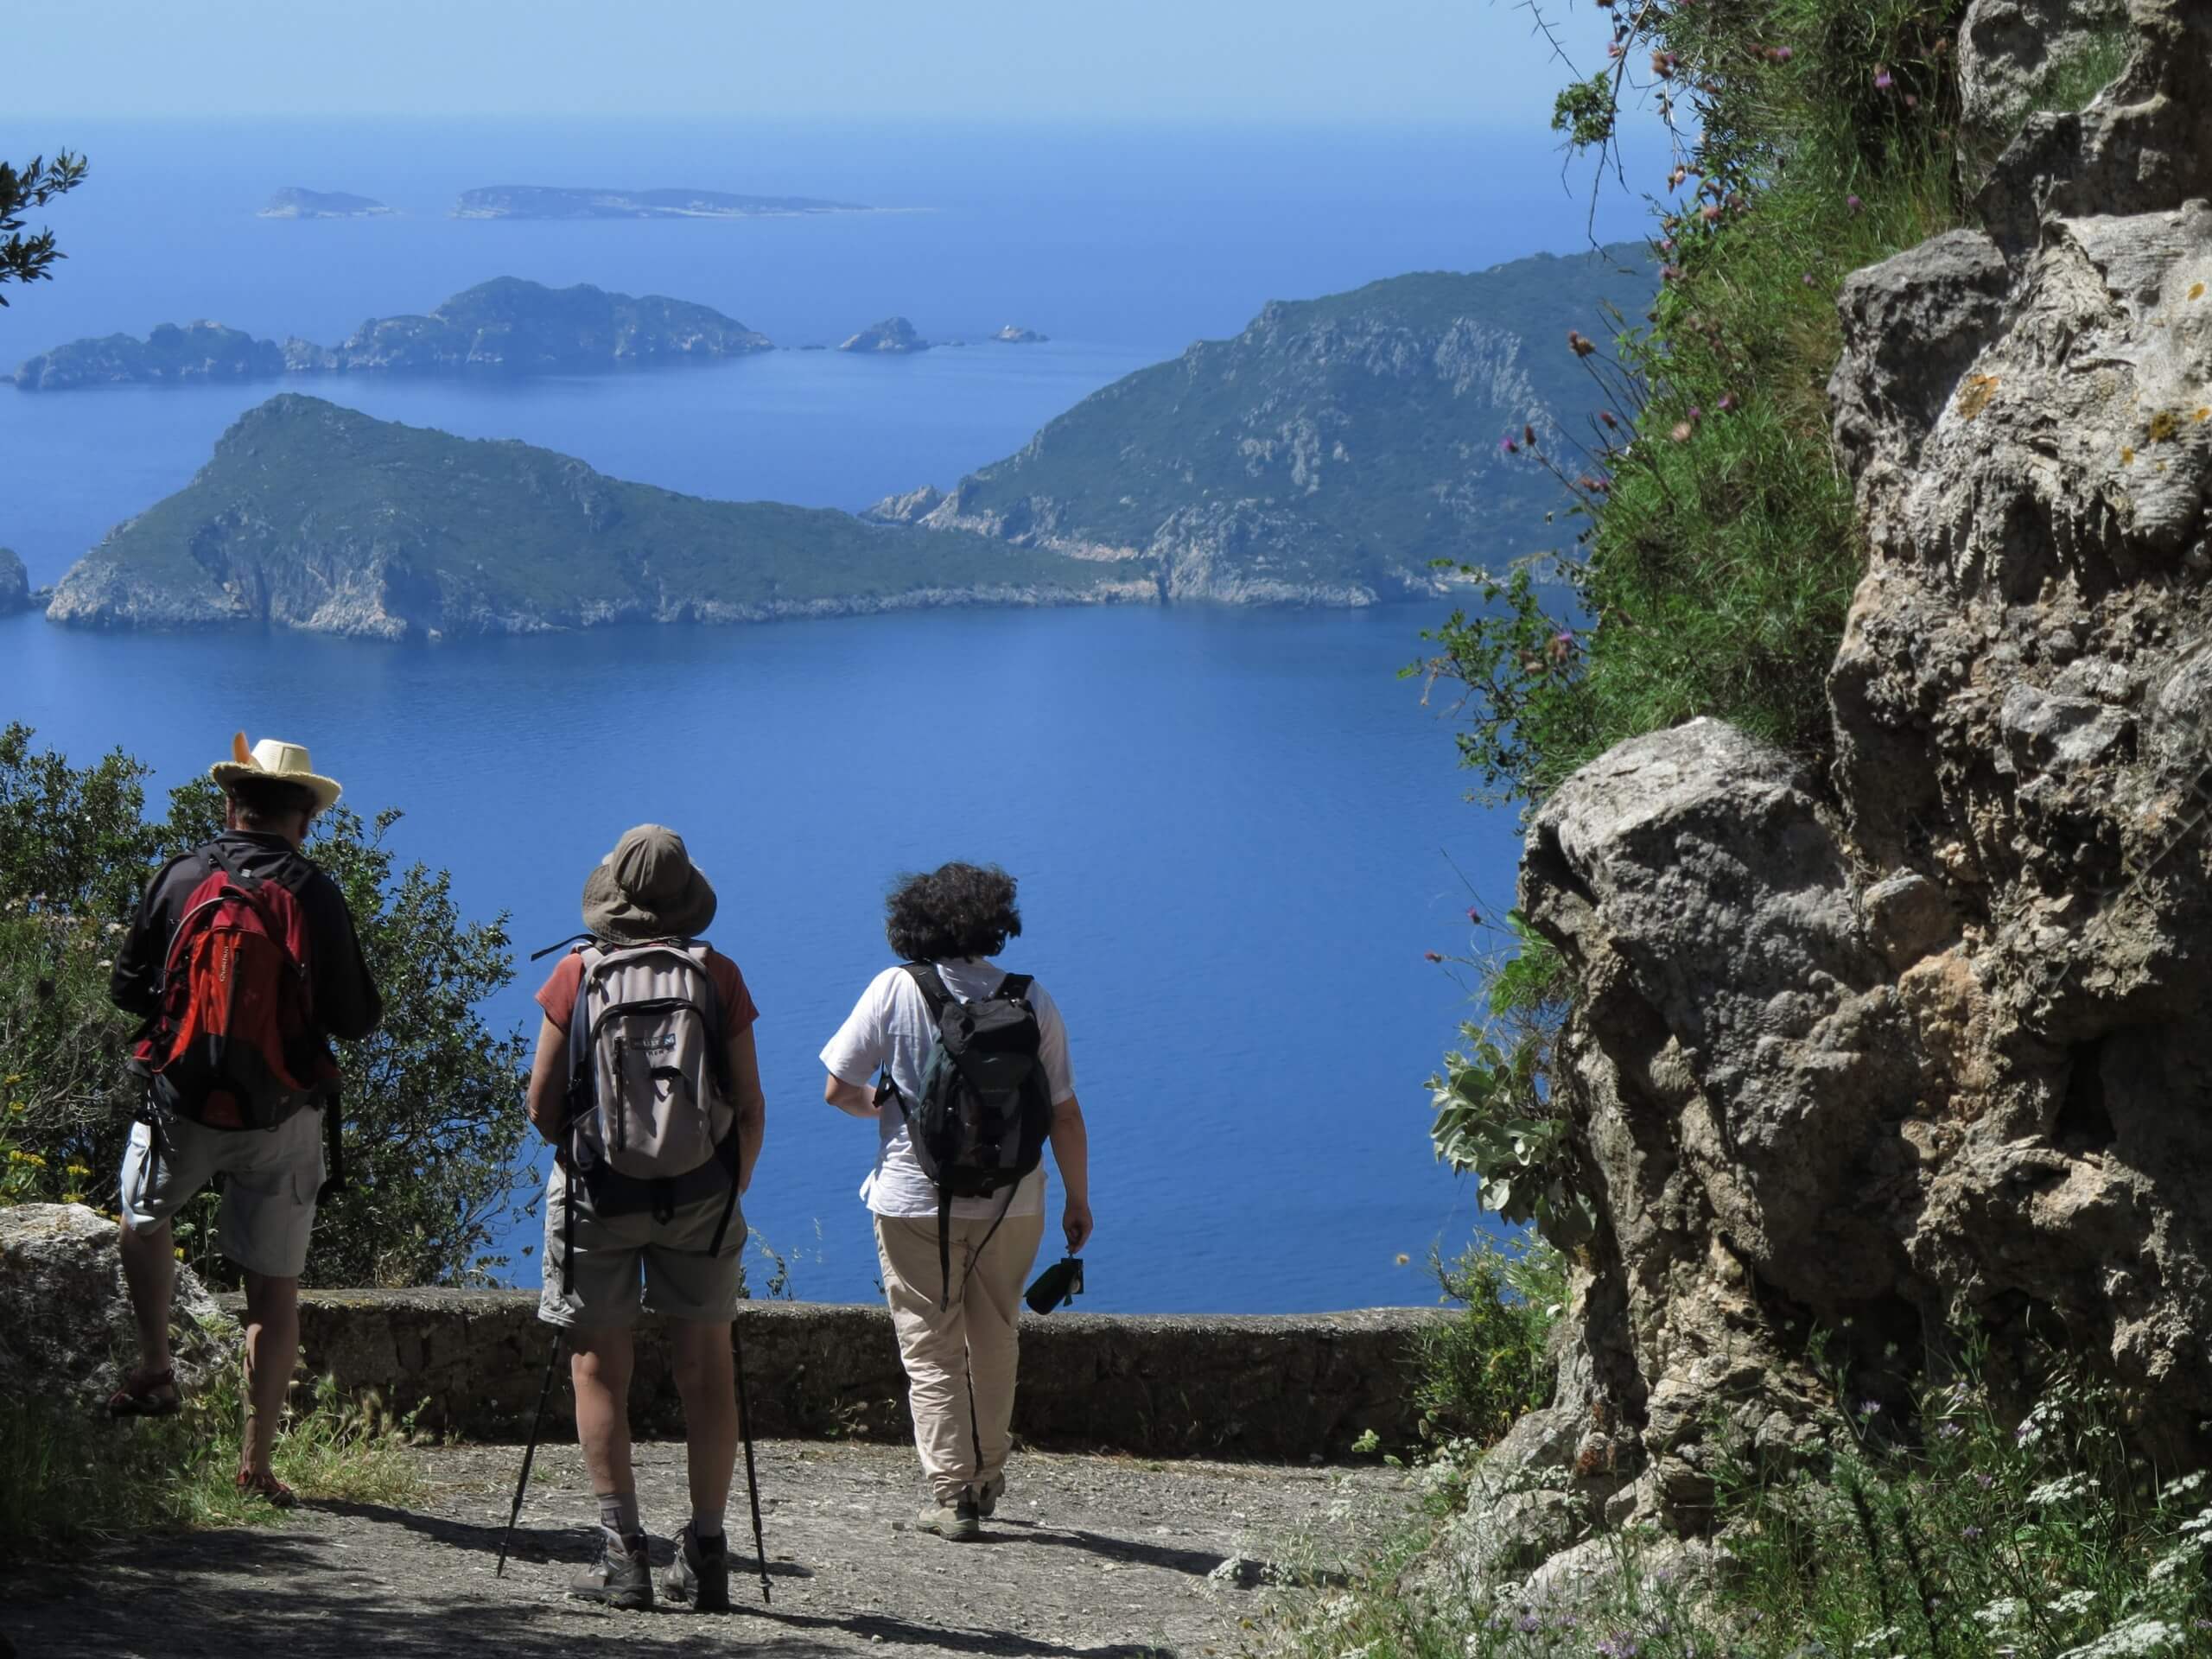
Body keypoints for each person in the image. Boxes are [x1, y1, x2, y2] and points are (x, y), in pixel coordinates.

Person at [108, 734, 383, 1509]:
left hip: (182, 1104)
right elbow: (356, 1017)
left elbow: (131, 990)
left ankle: (157, 1363)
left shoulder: (182, 875)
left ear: (231, 804)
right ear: (303, 818)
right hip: (282, 1114)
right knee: (274, 1294)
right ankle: (256, 1464)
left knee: (141, 1218)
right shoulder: (313, 892)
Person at [526, 823, 766, 1613]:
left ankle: (622, 1554)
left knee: (598, 1366)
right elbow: (751, 1105)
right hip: (702, 1196)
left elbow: (540, 1106)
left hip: (599, 1195)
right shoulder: (717, 975)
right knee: (708, 1367)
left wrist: (592, 1156)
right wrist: (728, 1189)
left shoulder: (576, 973)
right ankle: (706, 1549)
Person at [820, 861, 1092, 1541]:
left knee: (930, 1346)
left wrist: (880, 1109)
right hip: (1016, 1200)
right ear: (996, 922)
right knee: (996, 1331)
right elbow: (1064, 1113)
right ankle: (989, 1477)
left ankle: (952, 1497)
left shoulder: (895, 989)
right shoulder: (1032, 998)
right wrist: (1077, 1199)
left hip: (914, 1199)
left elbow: (839, 1088)